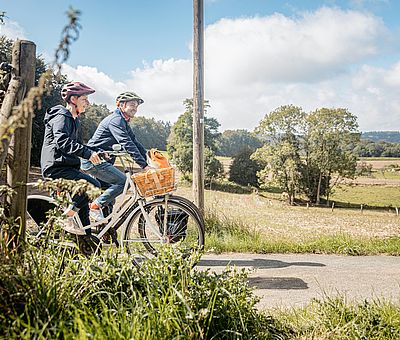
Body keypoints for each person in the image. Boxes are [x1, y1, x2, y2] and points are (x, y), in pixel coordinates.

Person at [41, 81, 102, 232]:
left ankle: (86, 242)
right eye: (84, 99)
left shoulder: (74, 121)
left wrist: (98, 153)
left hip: (67, 167)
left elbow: (78, 145)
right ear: (73, 99)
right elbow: (62, 141)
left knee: (83, 210)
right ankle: (65, 218)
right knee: (93, 186)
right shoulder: (62, 116)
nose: (88, 103)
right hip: (56, 168)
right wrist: (87, 154)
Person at [81, 91, 152, 220]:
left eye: (136, 106)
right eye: (132, 104)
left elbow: (134, 142)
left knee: (108, 199)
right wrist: (144, 165)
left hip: (102, 161)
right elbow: (127, 143)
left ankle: (104, 232)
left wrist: (149, 157)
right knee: (123, 182)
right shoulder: (116, 120)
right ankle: (95, 207)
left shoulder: (123, 122)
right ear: (121, 105)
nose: (135, 108)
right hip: (94, 160)